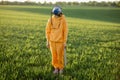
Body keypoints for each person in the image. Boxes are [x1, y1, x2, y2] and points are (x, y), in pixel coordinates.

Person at [45, 6, 68, 74]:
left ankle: (61, 68)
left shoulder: (63, 20)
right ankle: (56, 68)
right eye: (55, 15)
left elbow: (65, 31)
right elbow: (47, 31)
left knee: (60, 56)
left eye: (58, 15)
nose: (57, 16)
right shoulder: (51, 20)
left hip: (60, 42)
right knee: (54, 56)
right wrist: (48, 41)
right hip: (52, 41)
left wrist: (64, 42)